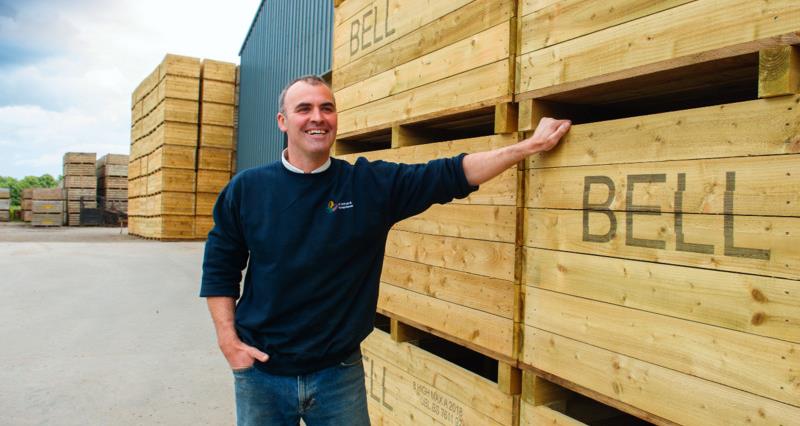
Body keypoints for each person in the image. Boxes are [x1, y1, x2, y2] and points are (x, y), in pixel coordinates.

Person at [200, 75, 570, 426]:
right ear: (283, 121)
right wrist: (229, 342)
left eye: (327, 108)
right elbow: (220, 267)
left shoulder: (368, 185)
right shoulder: (248, 189)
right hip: (263, 374)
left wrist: (529, 146)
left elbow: (451, 174)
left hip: (337, 375)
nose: (317, 117)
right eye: (304, 109)